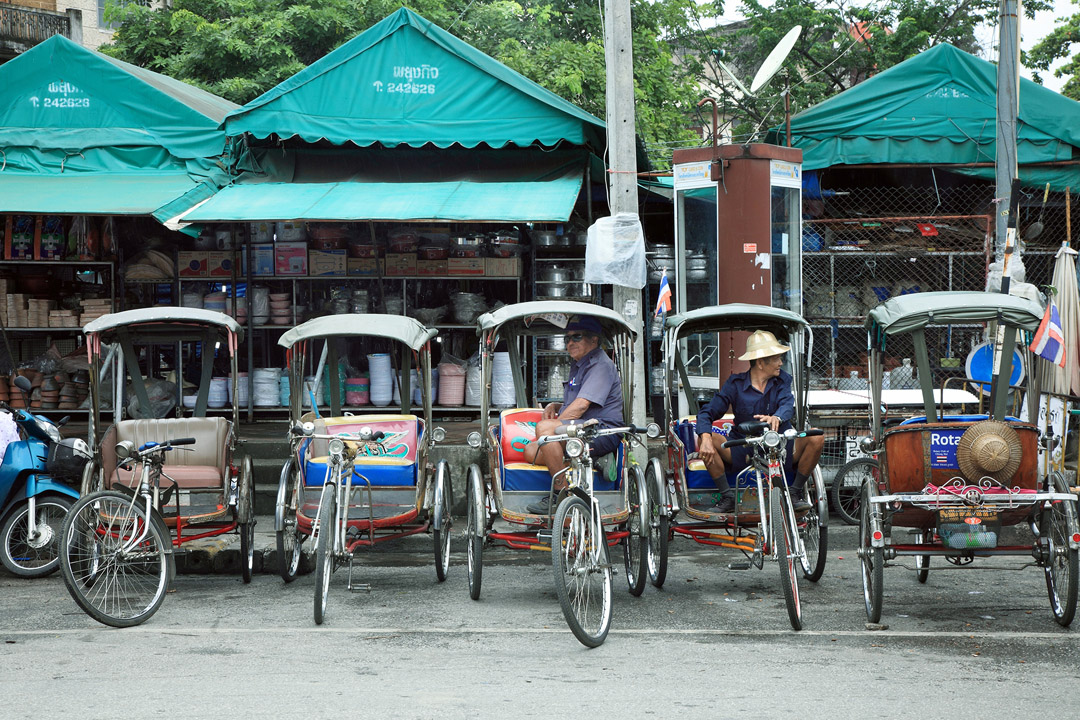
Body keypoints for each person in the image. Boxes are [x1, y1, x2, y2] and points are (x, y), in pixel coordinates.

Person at [695, 330, 824, 514]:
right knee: (706, 440)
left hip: (779, 445)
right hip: (744, 446)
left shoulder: (782, 381)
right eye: (776, 358)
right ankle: (727, 497)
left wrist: (777, 417)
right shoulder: (735, 384)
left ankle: (795, 493)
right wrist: (705, 437)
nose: (781, 363)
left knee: (817, 437)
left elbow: (788, 403)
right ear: (761, 362)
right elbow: (708, 411)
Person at [525, 316, 624, 515]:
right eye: (567, 339)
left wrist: (552, 423)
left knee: (545, 430)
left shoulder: (600, 365)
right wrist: (557, 405)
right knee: (530, 450)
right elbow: (577, 403)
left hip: (601, 431)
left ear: (594, 340)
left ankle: (561, 493)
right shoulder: (579, 365)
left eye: (576, 337)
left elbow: (580, 406)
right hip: (582, 429)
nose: (570, 343)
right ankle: (594, 460)